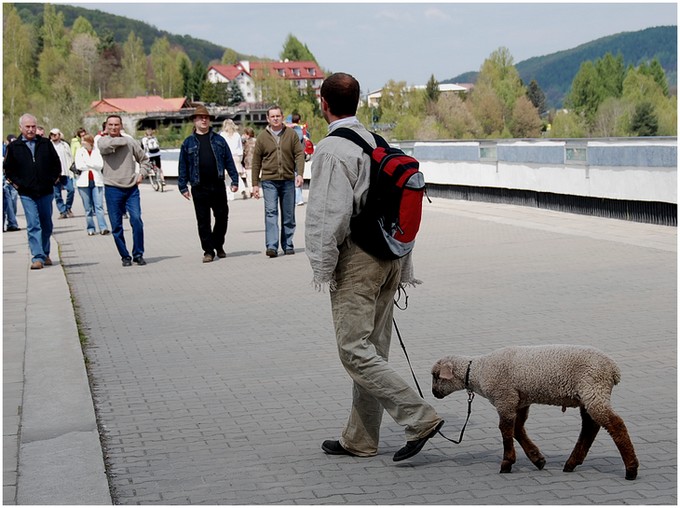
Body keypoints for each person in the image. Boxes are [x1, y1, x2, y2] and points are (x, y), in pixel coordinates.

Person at [305, 72, 444, 461]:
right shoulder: (375, 141)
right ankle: (360, 439)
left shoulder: (332, 149)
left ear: (323, 102)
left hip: (358, 262)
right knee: (373, 354)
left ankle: (419, 417)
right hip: (390, 259)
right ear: (359, 102)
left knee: (353, 351)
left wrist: (323, 267)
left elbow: (327, 216)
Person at [178, 105, 240, 263]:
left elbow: (228, 160)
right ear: (195, 121)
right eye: (200, 118)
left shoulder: (219, 140)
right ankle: (208, 251)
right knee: (203, 220)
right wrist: (183, 186)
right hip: (199, 186)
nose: (203, 120)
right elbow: (183, 166)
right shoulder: (188, 143)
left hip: (217, 185)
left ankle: (218, 244)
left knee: (222, 217)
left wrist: (234, 179)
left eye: (205, 117)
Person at [3, 113, 61, 269]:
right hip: (27, 193)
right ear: (21, 128)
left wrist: (52, 180)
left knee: (46, 224)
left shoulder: (45, 144)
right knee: (33, 224)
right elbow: (8, 170)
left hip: (46, 191)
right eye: (27, 127)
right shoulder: (14, 147)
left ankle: (45, 252)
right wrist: (19, 185)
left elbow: (56, 165)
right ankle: (37, 257)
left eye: (33, 126)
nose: (30, 129)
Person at [251, 106, 304, 258]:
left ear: (282, 117)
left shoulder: (291, 134)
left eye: (278, 116)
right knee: (271, 212)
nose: (275, 119)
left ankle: (287, 244)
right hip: (269, 181)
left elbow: (299, 154)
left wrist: (299, 174)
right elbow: (256, 161)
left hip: (288, 180)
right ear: (268, 119)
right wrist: (255, 184)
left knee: (288, 214)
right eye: (272, 116)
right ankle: (272, 246)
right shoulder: (262, 137)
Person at [98, 114, 150, 267]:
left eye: (116, 125)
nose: (114, 127)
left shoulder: (131, 142)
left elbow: (144, 159)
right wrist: (124, 139)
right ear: (106, 127)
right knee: (116, 226)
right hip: (112, 188)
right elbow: (107, 146)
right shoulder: (102, 141)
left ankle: (138, 253)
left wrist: (142, 174)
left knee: (136, 220)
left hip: (131, 188)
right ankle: (124, 256)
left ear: (121, 126)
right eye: (111, 125)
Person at [75, 134, 109, 236]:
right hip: (83, 182)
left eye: (84, 141)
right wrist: (92, 164)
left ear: (89, 142)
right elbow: (79, 166)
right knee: (88, 207)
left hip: (97, 181)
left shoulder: (97, 151)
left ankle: (103, 227)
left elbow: (100, 165)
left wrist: (88, 163)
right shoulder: (80, 152)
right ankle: (91, 228)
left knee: (99, 206)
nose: (82, 142)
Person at [50, 128, 75, 219]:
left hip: (65, 172)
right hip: (55, 174)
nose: (53, 136)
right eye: (52, 134)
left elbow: (70, 158)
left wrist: (72, 171)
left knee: (71, 190)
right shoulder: (49, 145)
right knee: (57, 194)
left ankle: (68, 207)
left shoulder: (65, 145)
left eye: (55, 134)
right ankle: (62, 211)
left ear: (59, 135)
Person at [219, 119, 244, 200]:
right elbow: (240, 147)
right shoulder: (237, 135)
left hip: (226, 156)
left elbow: (221, 147)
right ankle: (242, 188)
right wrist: (240, 158)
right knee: (235, 174)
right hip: (236, 155)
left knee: (226, 177)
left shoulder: (222, 134)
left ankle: (230, 194)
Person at [3, 134, 20, 232]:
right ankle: (11, 223)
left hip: (13, 181)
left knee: (12, 202)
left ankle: (12, 223)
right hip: (5, 180)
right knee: (7, 203)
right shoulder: (5, 149)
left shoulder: (17, 151)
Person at [241, 127, 256, 198]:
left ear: (247, 134)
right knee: (254, 178)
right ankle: (255, 190)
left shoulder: (245, 142)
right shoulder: (257, 141)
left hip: (248, 162)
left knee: (249, 179)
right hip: (256, 162)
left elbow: (243, 152)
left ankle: (251, 191)